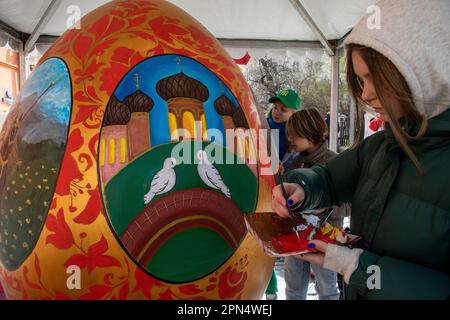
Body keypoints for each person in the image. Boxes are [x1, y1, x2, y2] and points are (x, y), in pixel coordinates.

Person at [270, 0, 450, 300]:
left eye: (373, 79)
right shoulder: (380, 146)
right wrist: (301, 186)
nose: (365, 94)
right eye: (360, 80)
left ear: (423, 70)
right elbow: (328, 179)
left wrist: (359, 267)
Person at [283, 108, 348, 300]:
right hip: (295, 237)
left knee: (327, 289)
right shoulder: (295, 163)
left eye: (294, 135)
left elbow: (350, 204)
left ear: (309, 132)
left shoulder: (335, 162)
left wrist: (326, 206)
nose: (290, 140)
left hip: (325, 238)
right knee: (293, 288)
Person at [265, 88, 301, 300]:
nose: (277, 112)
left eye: (283, 109)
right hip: (267, 189)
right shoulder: (267, 127)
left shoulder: (295, 134)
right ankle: (270, 286)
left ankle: (275, 286)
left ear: (294, 112)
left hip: (288, 192)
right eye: (275, 108)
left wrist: (285, 167)